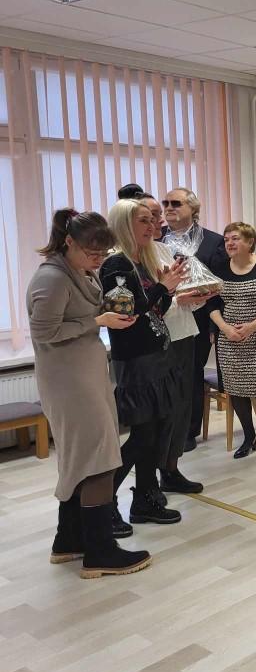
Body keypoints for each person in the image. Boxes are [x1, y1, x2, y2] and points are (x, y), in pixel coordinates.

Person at [27, 209, 151, 578]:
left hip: (85, 374)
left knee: (81, 458)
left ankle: (69, 540)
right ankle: (100, 552)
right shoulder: (52, 278)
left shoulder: (79, 270)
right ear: (69, 242)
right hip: (69, 381)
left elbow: (83, 310)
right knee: (99, 459)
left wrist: (112, 311)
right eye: (92, 254)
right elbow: (44, 332)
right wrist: (97, 321)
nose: (98, 260)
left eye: (102, 254)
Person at [101, 200, 187, 531]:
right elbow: (125, 314)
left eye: (153, 220)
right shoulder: (116, 265)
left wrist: (168, 290)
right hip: (137, 362)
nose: (152, 226)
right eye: (143, 220)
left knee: (153, 434)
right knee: (141, 437)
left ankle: (145, 500)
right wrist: (163, 288)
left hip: (157, 356)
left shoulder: (143, 260)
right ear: (124, 224)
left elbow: (155, 310)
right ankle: (103, 503)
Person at [138, 193, 205, 494]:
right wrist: (178, 299)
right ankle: (150, 478)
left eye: (158, 215)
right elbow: (145, 305)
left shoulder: (165, 249)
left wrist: (196, 298)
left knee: (181, 405)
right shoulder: (127, 257)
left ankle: (171, 468)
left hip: (183, 333)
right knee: (161, 410)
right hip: (158, 341)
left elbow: (178, 293)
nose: (159, 219)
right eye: (150, 215)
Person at [208, 222, 256, 459]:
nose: (229, 243)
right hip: (228, 340)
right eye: (226, 240)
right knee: (236, 390)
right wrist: (225, 329)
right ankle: (249, 436)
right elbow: (211, 303)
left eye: (235, 238)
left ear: (250, 241)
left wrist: (252, 326)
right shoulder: (219, 268)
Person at [161, 187, 226, 453]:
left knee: (189, 374)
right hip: (163, 316)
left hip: (199, 319)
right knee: (163, 374)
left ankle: (188, 430)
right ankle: (164, 427)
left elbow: (220, 286)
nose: (169, 208)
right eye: (165, 203)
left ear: (193, 209)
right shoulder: (155, 239)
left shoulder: (212, 241)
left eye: (175, 203)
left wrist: (213, 326)